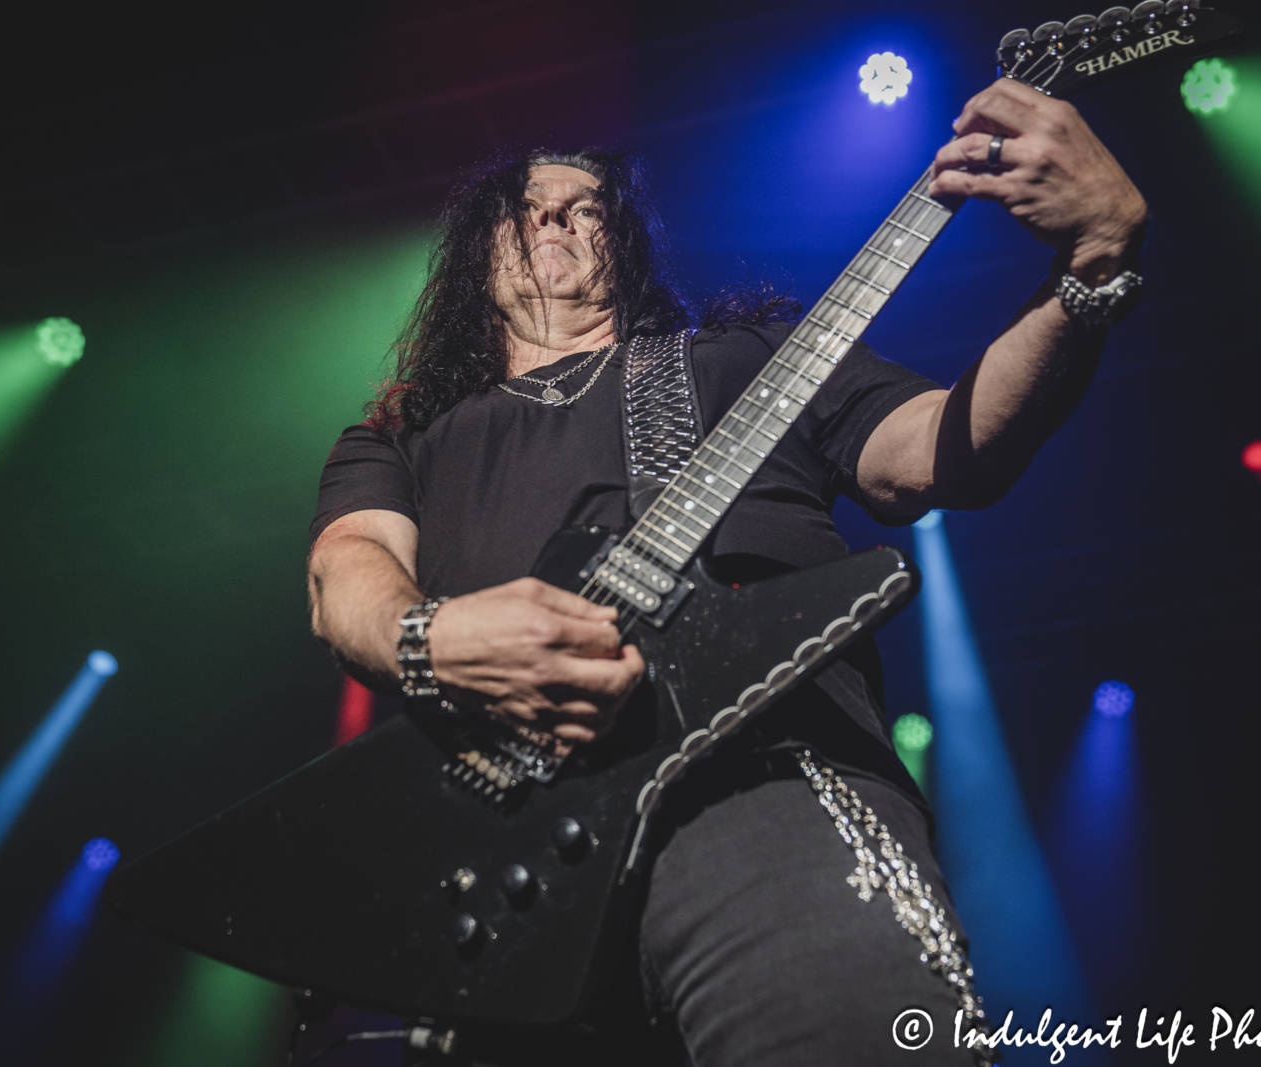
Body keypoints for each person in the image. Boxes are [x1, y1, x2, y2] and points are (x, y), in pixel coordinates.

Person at [306, 78, 1147, 1066]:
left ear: (623, 243)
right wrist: (432, 635)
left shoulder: (748, 359)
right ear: (472, 251)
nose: (556, 217)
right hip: (495, 864)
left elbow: (939, 453)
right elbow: (346, 572)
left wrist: (1091, 269)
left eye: (586, 206)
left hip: (758, 783)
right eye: (524, 205)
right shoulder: (405, 433)